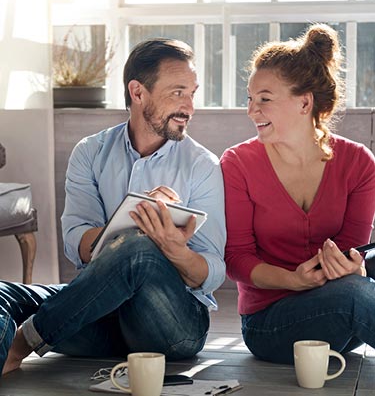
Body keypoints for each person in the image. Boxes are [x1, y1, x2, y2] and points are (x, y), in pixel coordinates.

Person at [1, 38, 226, 375]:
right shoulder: (90, 152)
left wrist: (171, 247)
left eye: (192, 93)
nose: (189, 107)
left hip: (171, 329)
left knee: (138, 248)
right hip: (99, 316)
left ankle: (20, 345)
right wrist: (136, 218)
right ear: (138, 92)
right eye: (178, 92)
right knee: (3, 293)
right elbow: (77, 244)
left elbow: (212, 272)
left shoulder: (203, 165)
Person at [220, 23, 375, 365]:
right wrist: (293, 281)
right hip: (270, 325)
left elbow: (354, 250)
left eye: (265, 100)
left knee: (356, 287)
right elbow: (237, 259)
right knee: (354, 294)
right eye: (250, 99)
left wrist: (351, 267)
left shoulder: (358, 163)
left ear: (304, 103)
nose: (252, 110)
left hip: (343, 312)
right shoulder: (237, 164)